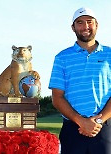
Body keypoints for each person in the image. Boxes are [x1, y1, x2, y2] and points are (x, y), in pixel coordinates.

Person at [48, 7, 111, 154]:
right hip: (72, 129)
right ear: (73, 27)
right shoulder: (62, 57)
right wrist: (81, 121)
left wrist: (98, 122)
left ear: (97, 25)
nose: (85, 27)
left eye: (89, 22)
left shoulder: (110, 55)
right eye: (80, 23)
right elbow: (57, 98)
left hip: (104, 128)